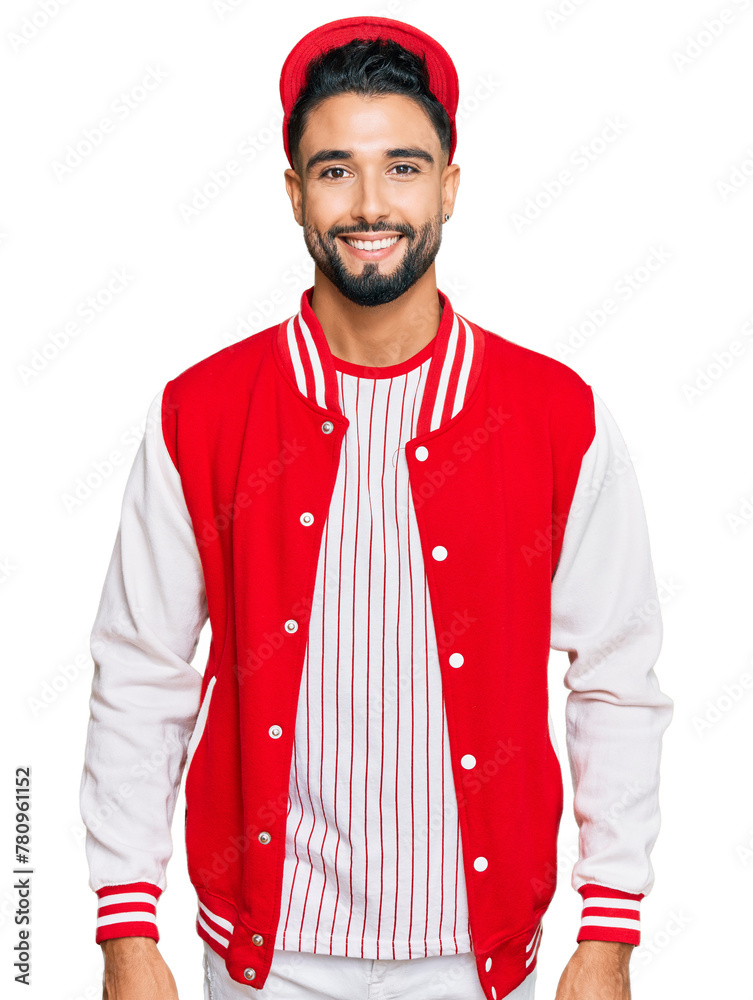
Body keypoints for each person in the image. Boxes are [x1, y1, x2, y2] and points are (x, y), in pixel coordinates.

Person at [78, 15, 673, 1000]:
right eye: (334, 170)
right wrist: (126, 930)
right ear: (293, 194)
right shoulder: (204, 413)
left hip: (476, 962)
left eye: (402, 166)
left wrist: (607, 931)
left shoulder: (554, 416)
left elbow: (616, 676)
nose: (369, 203)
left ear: (449, 182)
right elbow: (140, 672)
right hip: (261, 959)